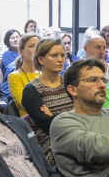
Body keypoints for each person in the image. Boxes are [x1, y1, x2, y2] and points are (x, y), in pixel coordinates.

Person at [20, 38, 74, 166]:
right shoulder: (31, 90)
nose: (60, 59)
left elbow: (85, 113)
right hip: (50, 143)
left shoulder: (69, 83)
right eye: (54, 55)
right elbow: (48, 124)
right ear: (40, 59)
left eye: (62, 55)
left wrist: (54, 116)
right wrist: (73, 113)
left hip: (77, 135)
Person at [7, 33, 40, 118]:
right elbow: (26, 104)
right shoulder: (14, 76)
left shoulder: (45, 73)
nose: (36, 49)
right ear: (21, 51)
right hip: (30, 122)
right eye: (31, 46)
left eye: (38, 46)